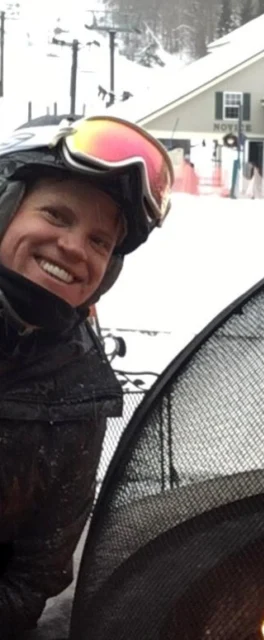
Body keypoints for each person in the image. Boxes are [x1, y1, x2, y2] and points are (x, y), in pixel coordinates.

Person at [0, 115, 174, 636]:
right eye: (56, 214)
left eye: (100, 242)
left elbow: (34, 577)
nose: (75, 248)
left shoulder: (79, 399)